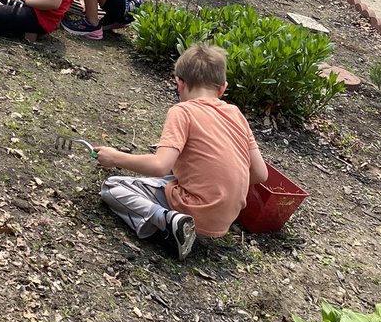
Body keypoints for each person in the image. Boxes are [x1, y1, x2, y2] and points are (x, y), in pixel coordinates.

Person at [96, 44, 268, 261]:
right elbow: (261, 174)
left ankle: (168, 222)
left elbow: (160, 166)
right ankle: (172, 225)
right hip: (224, 219)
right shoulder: (235, 113)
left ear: (179, 83)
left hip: (193, 209)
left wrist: (115, 158)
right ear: (223, 89)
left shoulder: (182, 111)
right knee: (171, 179)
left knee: (112, 187)